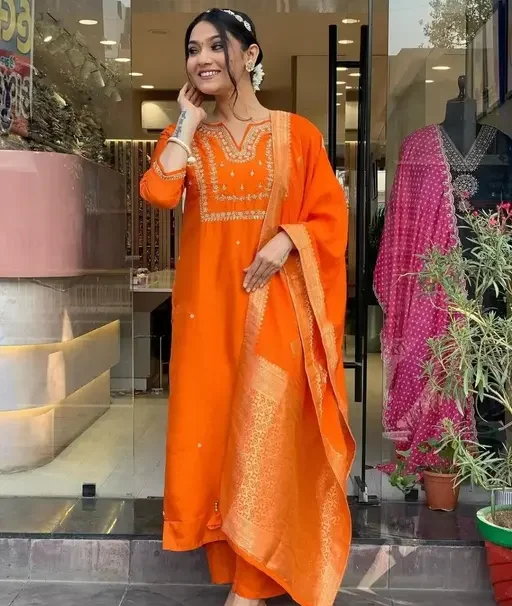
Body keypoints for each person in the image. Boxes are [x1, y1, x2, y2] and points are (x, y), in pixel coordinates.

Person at [140, 8, 355, 606]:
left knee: (266, 439)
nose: (202, 58)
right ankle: (235, 570)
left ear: (251, 55)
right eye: (193, 49)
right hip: (206, 318)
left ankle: (253, 585)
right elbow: (159, 191)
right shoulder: (188, 138)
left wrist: (288, 239)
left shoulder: (296, 134)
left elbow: (331, 219)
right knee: (214, 438)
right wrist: (186, 122)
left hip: (274, 315)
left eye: (217, 46)